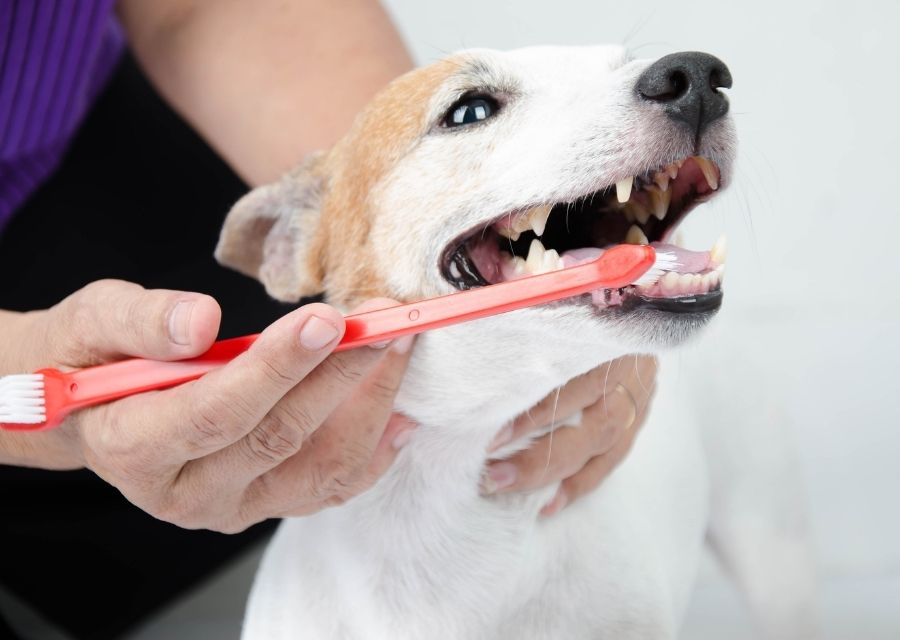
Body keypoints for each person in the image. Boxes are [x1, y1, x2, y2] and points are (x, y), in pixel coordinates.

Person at [0, 1, 658, 637]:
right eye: (475, 111)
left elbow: (197, 7)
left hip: (74, 136)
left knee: (284, 387)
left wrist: (374, 201)